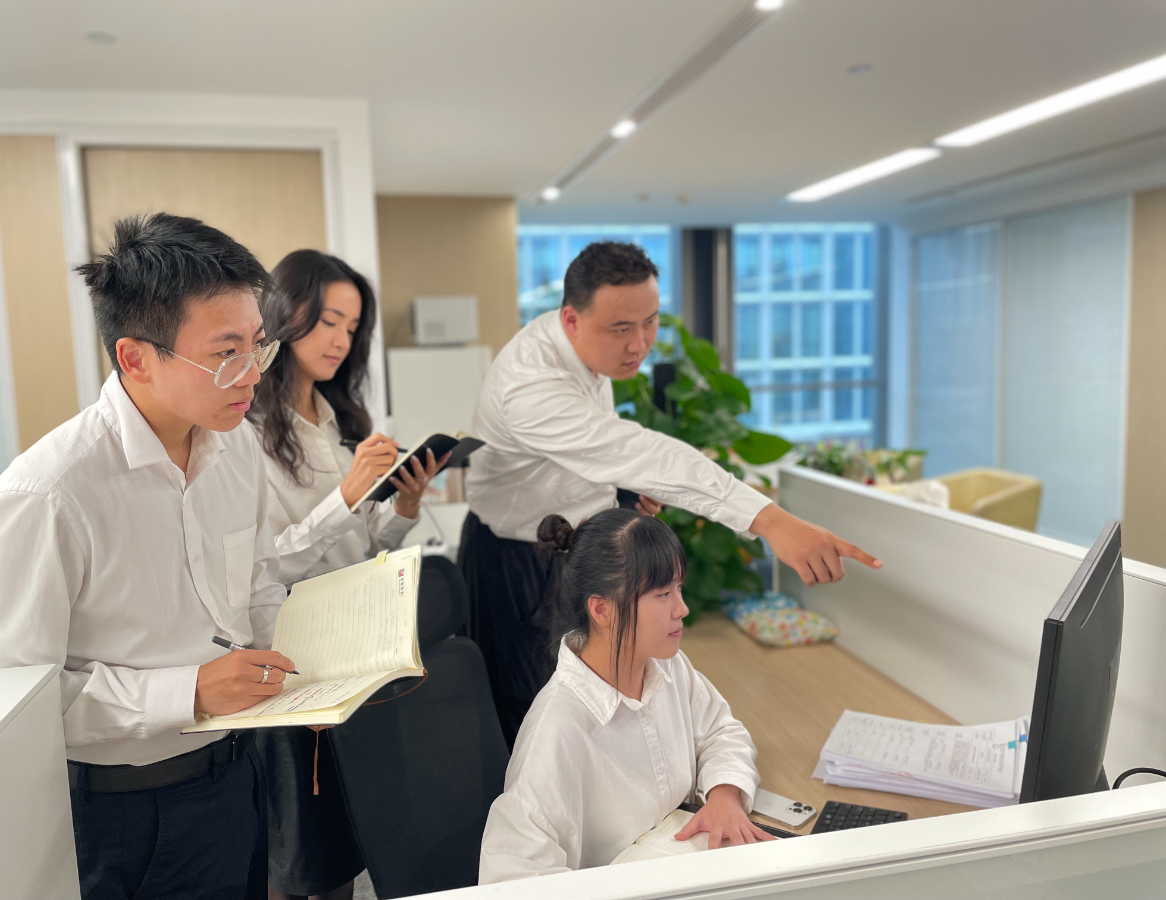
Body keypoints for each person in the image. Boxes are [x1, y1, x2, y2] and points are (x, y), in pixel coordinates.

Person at [0, 213, 294, 900]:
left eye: (257, 347)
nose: (251, 377)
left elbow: (256, 586)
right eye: (225, 353)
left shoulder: (236, 448)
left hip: (238, 772)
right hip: (123, 810)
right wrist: (188, 692)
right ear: (136, 358)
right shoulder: (46, 497)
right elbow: (7, 708)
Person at [462, 240, 881, 747]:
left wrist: (623, 490)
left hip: (574, 548)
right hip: (517, 565)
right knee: (542, 724)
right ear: (571, 319)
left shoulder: (585, 348)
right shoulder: (531, 385)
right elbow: (640, 450)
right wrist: (770, 520)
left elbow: (589, 451)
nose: (639, 344)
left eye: (651, 322)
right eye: (621, 328)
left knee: (606, 708)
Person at [246, 249, 445, 900]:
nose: (341, 340)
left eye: (353, 327)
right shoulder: (246, 433)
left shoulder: (340, 423)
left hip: (355, 649)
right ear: (287, 315)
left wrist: (400, 510)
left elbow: (358, 551)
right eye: (329, 321)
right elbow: (265, 568)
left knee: (349, 846)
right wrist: (347, 495)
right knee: (298, 856)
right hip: (291, 657)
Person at [478, 509, 769, 880]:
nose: (682, 608)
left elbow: (721, 730)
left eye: (679, 588)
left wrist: (724, 795)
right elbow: (511, 879)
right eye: (663, 594)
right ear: (602, 609)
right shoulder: (555, 731)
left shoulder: (667, 666)